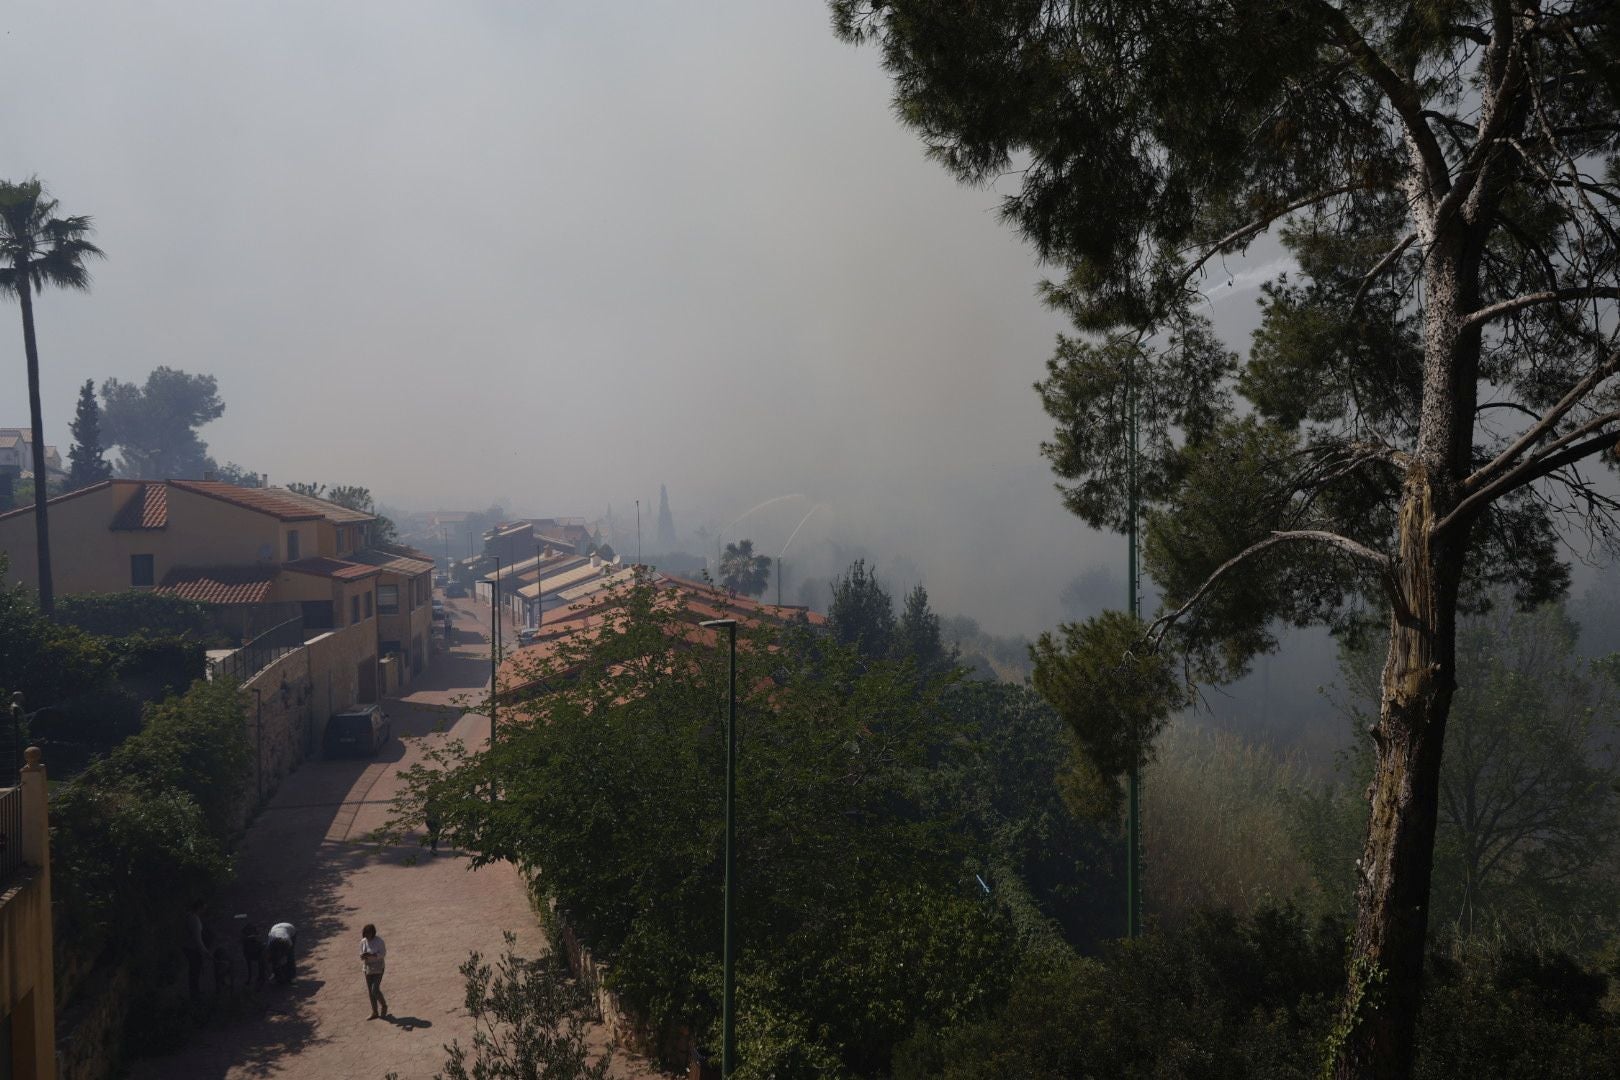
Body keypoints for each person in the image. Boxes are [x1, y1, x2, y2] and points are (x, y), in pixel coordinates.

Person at [360, 923, 389, 1019]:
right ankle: (374, 1012)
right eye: (366, 934)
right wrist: (363, 956)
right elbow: (361, 954)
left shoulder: (379, 941)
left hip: (378, 967)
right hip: (367, 967)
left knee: (374, 989)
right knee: (370, 991)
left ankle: (384, 1005)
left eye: (369, 934)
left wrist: (373, 955)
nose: (367, 936)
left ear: (373, 933)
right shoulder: (363, 942)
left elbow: (383, 953)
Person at [183, 900, 208, 998]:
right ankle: (194, 994)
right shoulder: (194, 920)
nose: (204, 911)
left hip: (187, 946)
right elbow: (198, 939)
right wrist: (205, 951)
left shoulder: (189, 915)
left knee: (194, 970)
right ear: (199, 908)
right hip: (192, 948)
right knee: (195, 970)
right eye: (204, 908)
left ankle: (194, 991)